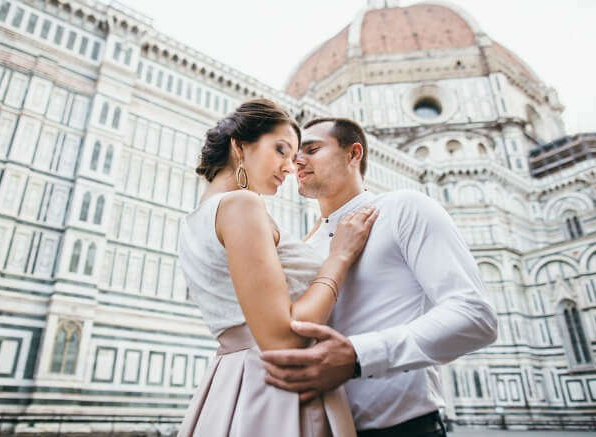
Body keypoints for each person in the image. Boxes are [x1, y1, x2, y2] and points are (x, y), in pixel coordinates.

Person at [262, 117, 498, 437]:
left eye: (312, 149)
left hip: (404, 429)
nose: (296, 160)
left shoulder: (404, 209)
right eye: (292, 154)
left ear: (353, 154)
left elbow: (475, 316)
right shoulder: (306, 246)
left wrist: (358, 356)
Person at [177, 101, 377, 436]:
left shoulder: (194, 221)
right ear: (239, 146)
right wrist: (339, 257)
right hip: (276, 384)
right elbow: (282, 338)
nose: (289, 167)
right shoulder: (241, 205)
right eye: (280, 150)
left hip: (231, 381)